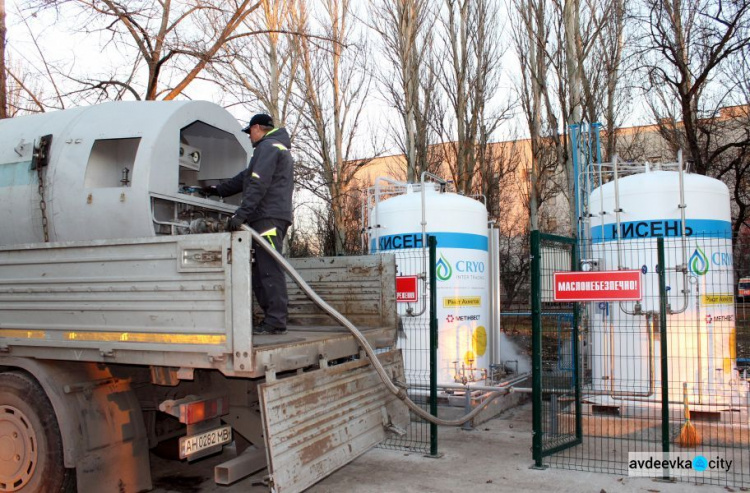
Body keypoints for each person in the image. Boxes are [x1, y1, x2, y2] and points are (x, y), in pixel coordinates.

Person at [203, 114, 294, 335]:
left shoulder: (268, 147)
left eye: (249, 132)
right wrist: (217, 190)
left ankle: (275, 321)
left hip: (267, 217)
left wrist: (241, 214)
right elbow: (246, 177)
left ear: (256, 128)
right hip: (268, 215)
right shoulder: (274, 148)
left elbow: (257, 183)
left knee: (269, 269)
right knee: (260, 267)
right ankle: (271, 319)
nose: (249, 137)